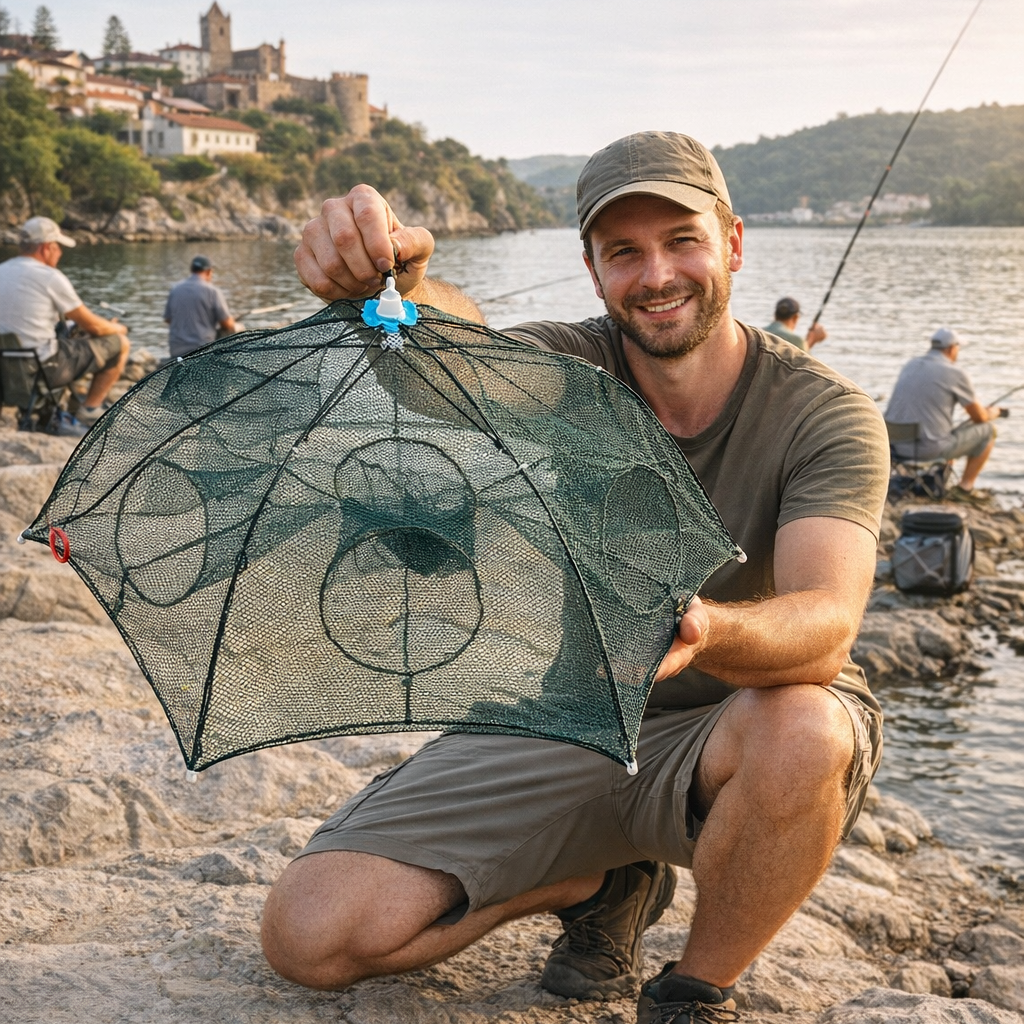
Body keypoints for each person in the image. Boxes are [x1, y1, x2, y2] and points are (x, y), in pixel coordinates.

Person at [261, 132, 890, 1024]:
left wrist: (708, 629)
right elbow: (454, 360)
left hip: (734, 726)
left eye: (682, 241)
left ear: (734, 244)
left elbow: (826, 624)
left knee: (804, 727)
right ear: (592, 271)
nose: (657, 274)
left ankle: (694, 989)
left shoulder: (826, 414)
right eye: (623, 252)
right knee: (309, 937)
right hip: (576, 717)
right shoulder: (571, 366)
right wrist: (389, 289)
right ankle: (595, 885)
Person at [0, 216, 130, 435]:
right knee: (120, 344)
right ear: (46, 248)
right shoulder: (49, 277)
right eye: (58, 247)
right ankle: (89, 409)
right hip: (42, 371)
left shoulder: (3, 270)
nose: (60, 253)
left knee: (68, 338)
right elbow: (95, 328)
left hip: (6, 374)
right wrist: (117, 328)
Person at [885, 327, 1002, 497]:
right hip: (926, 450)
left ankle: (938, 480)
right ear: (951, 348)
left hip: (895, 445)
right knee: (988, 431)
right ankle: (965, 487)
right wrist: (994, 412)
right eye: (958, 348)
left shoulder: (910, 365)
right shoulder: (955, 373)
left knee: (946, 431)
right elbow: (979, 417)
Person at [163, 255, 240, 358]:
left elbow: (168, 319)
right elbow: (227, 324)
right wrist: (232, 321)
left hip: (176, 350)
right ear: (209, 272)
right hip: (202, 351)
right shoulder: (213, 292)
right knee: (234, 330)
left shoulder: (175, 290)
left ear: (191, 270)